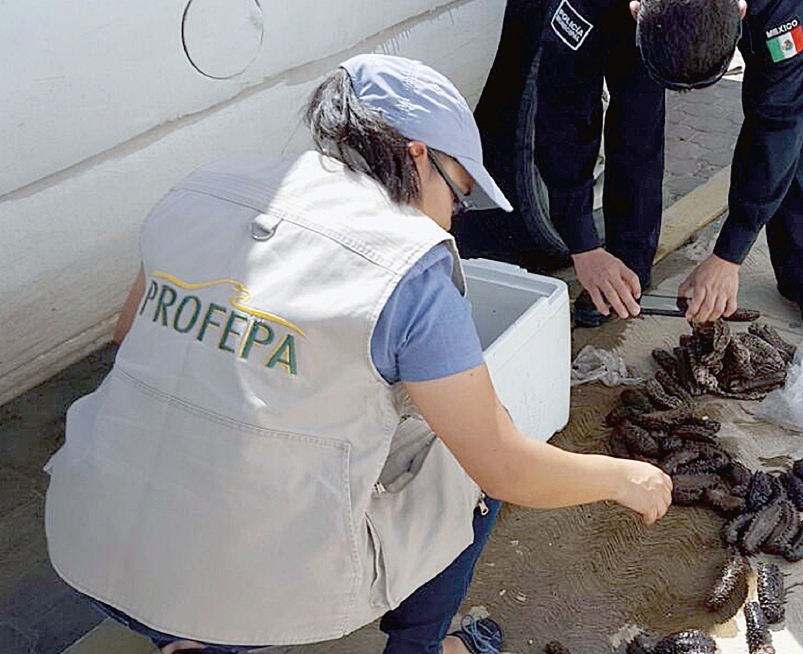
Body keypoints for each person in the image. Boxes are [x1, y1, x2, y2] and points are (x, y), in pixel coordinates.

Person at [43, 54, 673, 654]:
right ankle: (416, 645)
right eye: (458, 192)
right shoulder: (412, 266)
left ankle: (182, 637)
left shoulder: (201, 190)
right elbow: (505, 467)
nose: (454, 217)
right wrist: (626, 477)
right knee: (468, 454)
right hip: (257, 599)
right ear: (418, 156)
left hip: (85, 543)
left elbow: (129, 341)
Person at [533, 0, 803, 329]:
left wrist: (730, 253)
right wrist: (583, 246)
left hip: (770, 16)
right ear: (635, 9)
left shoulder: (783, 6)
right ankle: (627, 267)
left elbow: (781, 120)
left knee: (790, 112)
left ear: (741, 10)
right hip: (631, 18)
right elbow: (562, 116)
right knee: (634, 112)